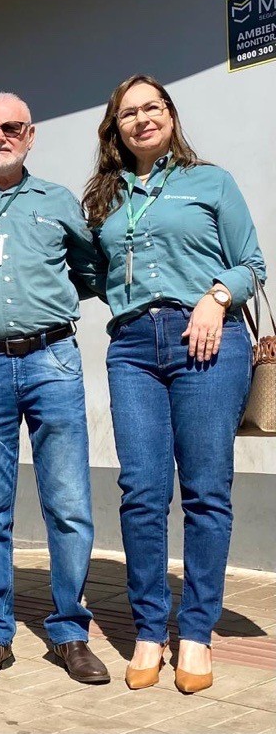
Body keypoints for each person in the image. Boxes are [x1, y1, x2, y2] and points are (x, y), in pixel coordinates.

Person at [84, 74, 266, 694]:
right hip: (132, 345)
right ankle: (146, 629)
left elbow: (251, 263)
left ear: (170, 115)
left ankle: (195, 632)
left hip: (206, 338)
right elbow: (91, 273)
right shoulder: (106, 199)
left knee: (206, 490)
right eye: (128, 112)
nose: (142, 119)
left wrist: (217, 299)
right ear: (116, 127)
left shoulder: (210, 181)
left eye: (152, 107)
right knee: (140, 489)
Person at [0, 93, 109, 686]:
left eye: (12, 126)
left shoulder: (57, 200)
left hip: (52, 360)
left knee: (68, 505)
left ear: (30, 135)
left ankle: (69, 632)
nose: (0, 135)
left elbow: (93, 272)